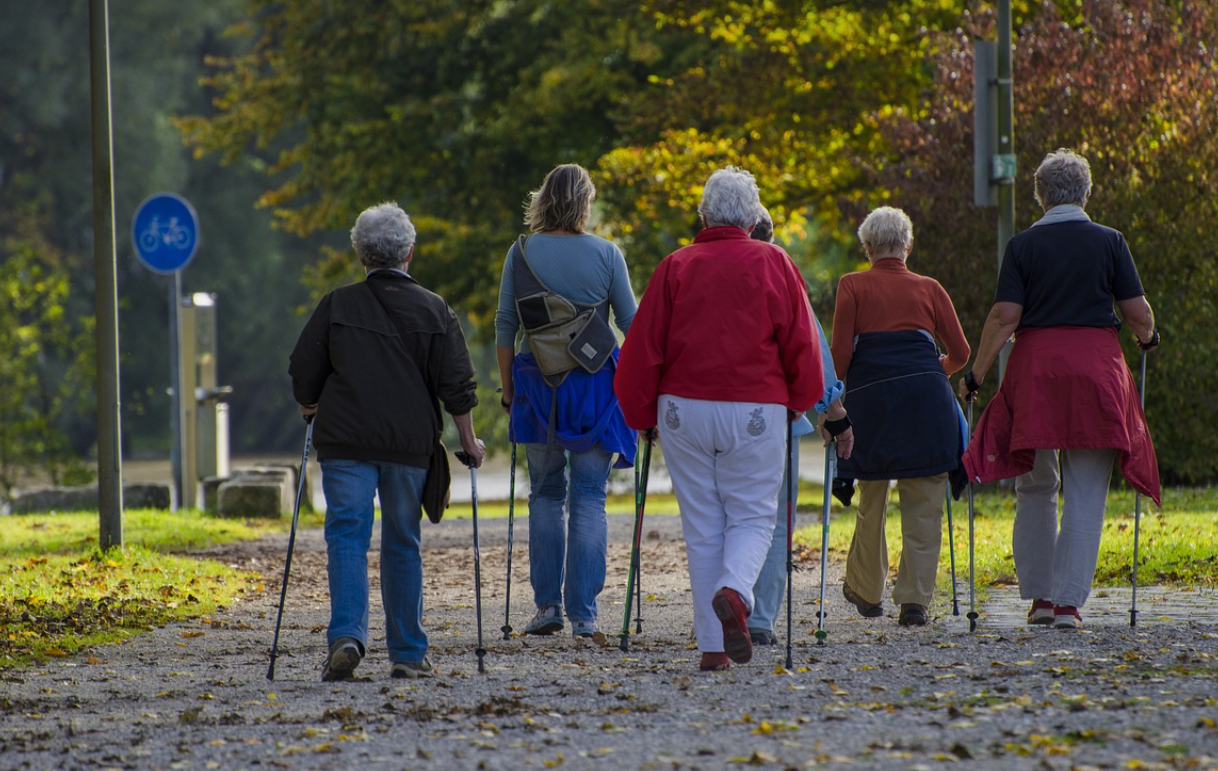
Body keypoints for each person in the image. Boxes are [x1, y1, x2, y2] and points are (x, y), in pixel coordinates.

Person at [615, 167, 823, 671]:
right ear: (753, 216)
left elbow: (643, 349)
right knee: (753, 515)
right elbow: (802, 343)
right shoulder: (775, 262)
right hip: (755, 406)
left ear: (703, 214)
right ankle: (735, 591)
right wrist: (800, 400)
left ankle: (713, 648)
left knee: (703, 524)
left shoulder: (674, 266)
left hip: (683, 407)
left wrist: (642, 414)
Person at [959, 148, 1160, 629]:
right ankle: (1070, 603)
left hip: (1036, 373)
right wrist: (1148, 338)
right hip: (1096, 371)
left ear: (1040, 196)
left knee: (1035, 483)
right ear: (1086, 192)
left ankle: (1040, 599)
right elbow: (1137, 313)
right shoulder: (1110, 241)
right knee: (1087, 488)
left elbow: (1005, 317)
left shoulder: (1022, 246)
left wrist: (976, 374)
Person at [289, 202, 485, 681]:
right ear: (409, 254)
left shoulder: (337, 304)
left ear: (360, 254)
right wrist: (470, 441)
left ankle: (348, 637)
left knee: (347, 537)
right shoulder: (436, 309)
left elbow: (303, 368)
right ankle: (408, 654)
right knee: (403, 541)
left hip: (346, 444)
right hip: (407, 446)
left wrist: (309, 403)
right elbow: (456, 384)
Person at [494, 164, 638, 639]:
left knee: (545, 493)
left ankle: (546, 607)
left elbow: (504, 328)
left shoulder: (521, 253)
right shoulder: (607, 254)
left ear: (542, 200)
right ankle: (585, 615)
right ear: (585, 203)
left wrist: (509, 391)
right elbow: (631, 326)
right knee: (590, 496)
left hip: (538, 384)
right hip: (596, 386)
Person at [830, 206, 970, 627]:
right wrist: (931, 372)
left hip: (872, 402)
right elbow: (961, 353)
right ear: (908, 246)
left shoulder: (851, 285)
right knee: (925, 501)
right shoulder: (930, 288)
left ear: (868, 248)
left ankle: (867, 591)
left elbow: (840, 355)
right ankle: (914, 603)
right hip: (926, 404)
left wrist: (833, 400)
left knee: (872, 497)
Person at [747, 208, 854, 646]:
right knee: (774, 520)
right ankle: (761, 618)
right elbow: (811, 350)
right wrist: (835, 415)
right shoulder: (782, 273)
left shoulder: (700, 268)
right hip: (777, 418)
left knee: (726, 517)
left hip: (710, 415)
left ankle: (726, 605)